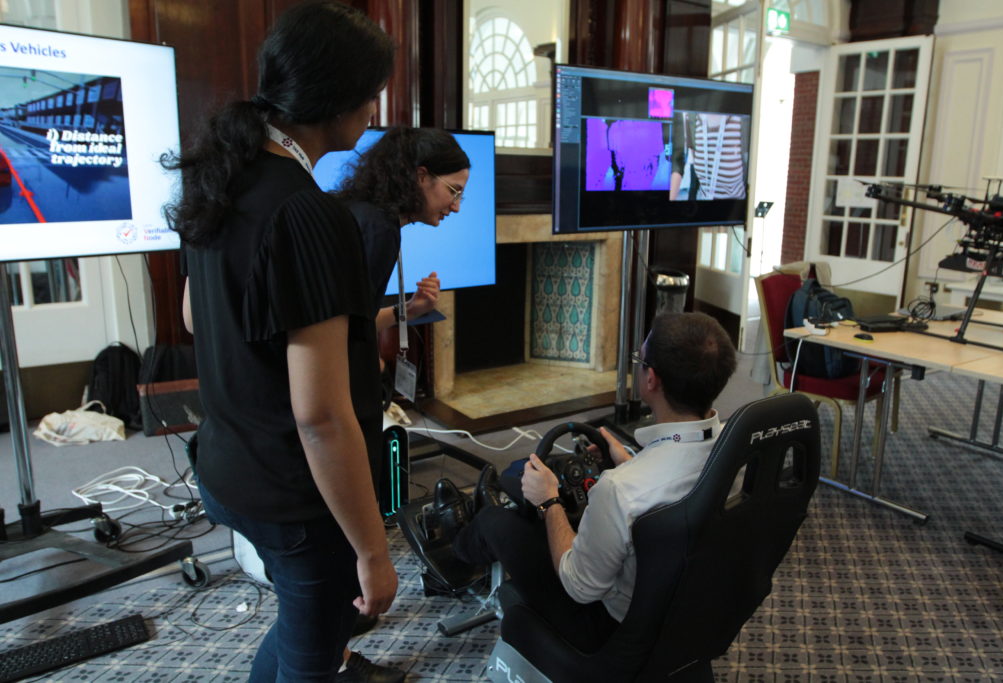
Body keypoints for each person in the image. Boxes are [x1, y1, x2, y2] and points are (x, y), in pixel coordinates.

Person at [163, 3, 402, 681]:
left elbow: (191, 313)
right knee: (316, 648)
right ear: (338, 98)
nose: (375, 107)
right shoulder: (307, 212)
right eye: (372, 92)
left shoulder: (222, 174)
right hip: (297, 497)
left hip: (227, 465)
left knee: (302, 625)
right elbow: (320, 415)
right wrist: (373, 550)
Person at [451, 312, 738, 653]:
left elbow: (579, 586)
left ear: (652, 380)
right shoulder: (738, 451)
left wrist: (549, 502)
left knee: (495, 522)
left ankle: (453, 559)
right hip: (691, 609)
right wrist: (632, 462)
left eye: (640, 360)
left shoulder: (619, 489)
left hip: (613, 630)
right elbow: (674, 486)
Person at [334, 126, 471, 332]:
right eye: (454, 191)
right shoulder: (378, 229)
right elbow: (342, 330)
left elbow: (357, 323)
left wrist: (410, 309)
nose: (456, 206)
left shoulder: (367, 214)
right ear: (421, 176)